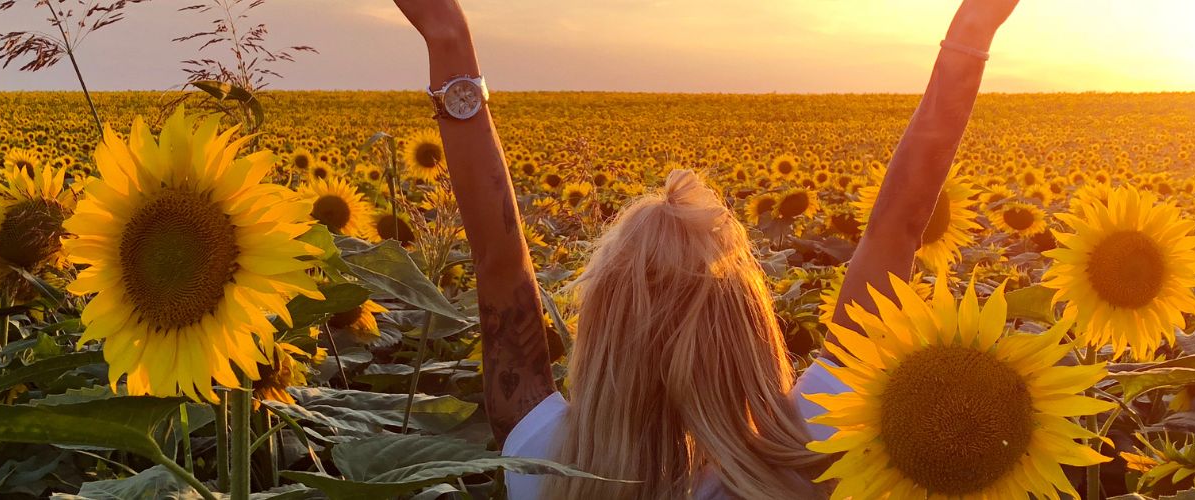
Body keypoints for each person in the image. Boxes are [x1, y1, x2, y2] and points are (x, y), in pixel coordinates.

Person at [391, 0, 1020, 497]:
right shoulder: (807, 450)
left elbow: (498, 259)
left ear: (604, 326)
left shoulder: (547, 461)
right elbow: (900, 224)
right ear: (748, 321)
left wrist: (446, 34)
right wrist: (974, 24)